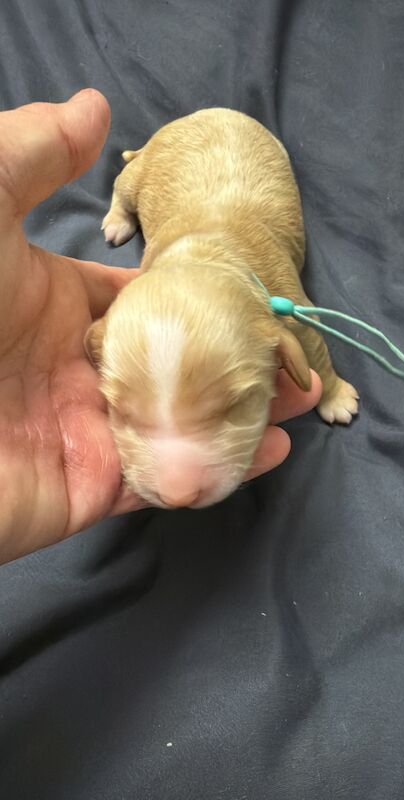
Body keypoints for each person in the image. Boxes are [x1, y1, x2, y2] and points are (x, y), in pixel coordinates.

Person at [0, 89, 322, 565]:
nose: (176, 486)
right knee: (138, 179)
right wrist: (122, 207)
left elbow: (308, 336)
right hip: (176, 156)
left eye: (225, 410)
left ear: (279, 351)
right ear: (98, 344)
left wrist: (329, 385)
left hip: (247, 156)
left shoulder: (277, 308)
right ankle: (126, 191)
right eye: (129, 418)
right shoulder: (128, 315)